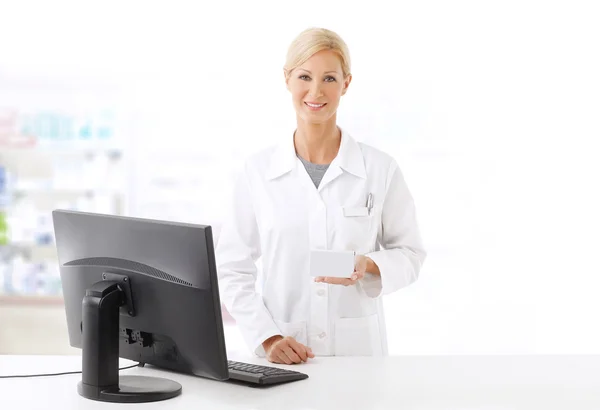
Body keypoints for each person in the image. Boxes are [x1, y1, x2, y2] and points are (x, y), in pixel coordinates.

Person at [216, 27, 426, 365]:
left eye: (329, 78)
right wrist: (267, 337)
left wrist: (366, 264)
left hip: (358, 356)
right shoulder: (257, 172)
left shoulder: (380, 169)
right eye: (304, 76)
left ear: (346, 83)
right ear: (287, 79)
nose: (316, 91)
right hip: (285, 350)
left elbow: (411, 253)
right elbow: (232, 267)